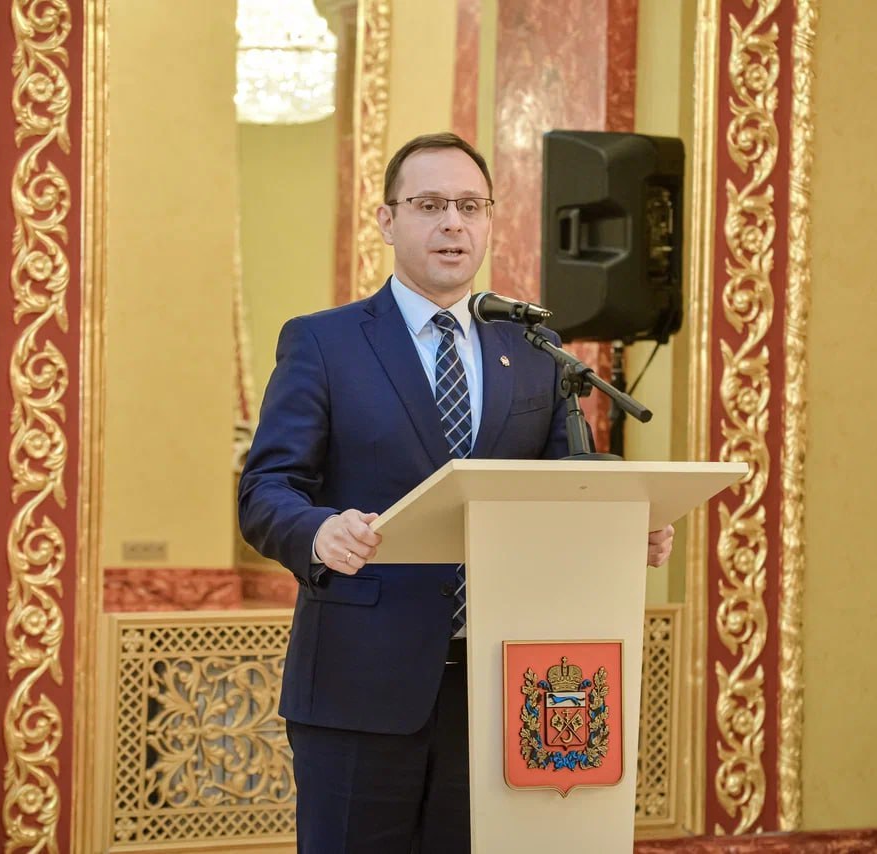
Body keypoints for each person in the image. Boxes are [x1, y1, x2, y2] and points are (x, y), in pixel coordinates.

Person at [238, 132, 675, 853]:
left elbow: (565, 492)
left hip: (502, 686)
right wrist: (318, 531)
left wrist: (621, 530)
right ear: (387, 221)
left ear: (491, 220)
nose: (453, 223)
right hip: (361, 686)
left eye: (471, 206)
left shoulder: (533, 351)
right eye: (430, 205)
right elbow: (266, 489)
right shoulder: (324, 343)